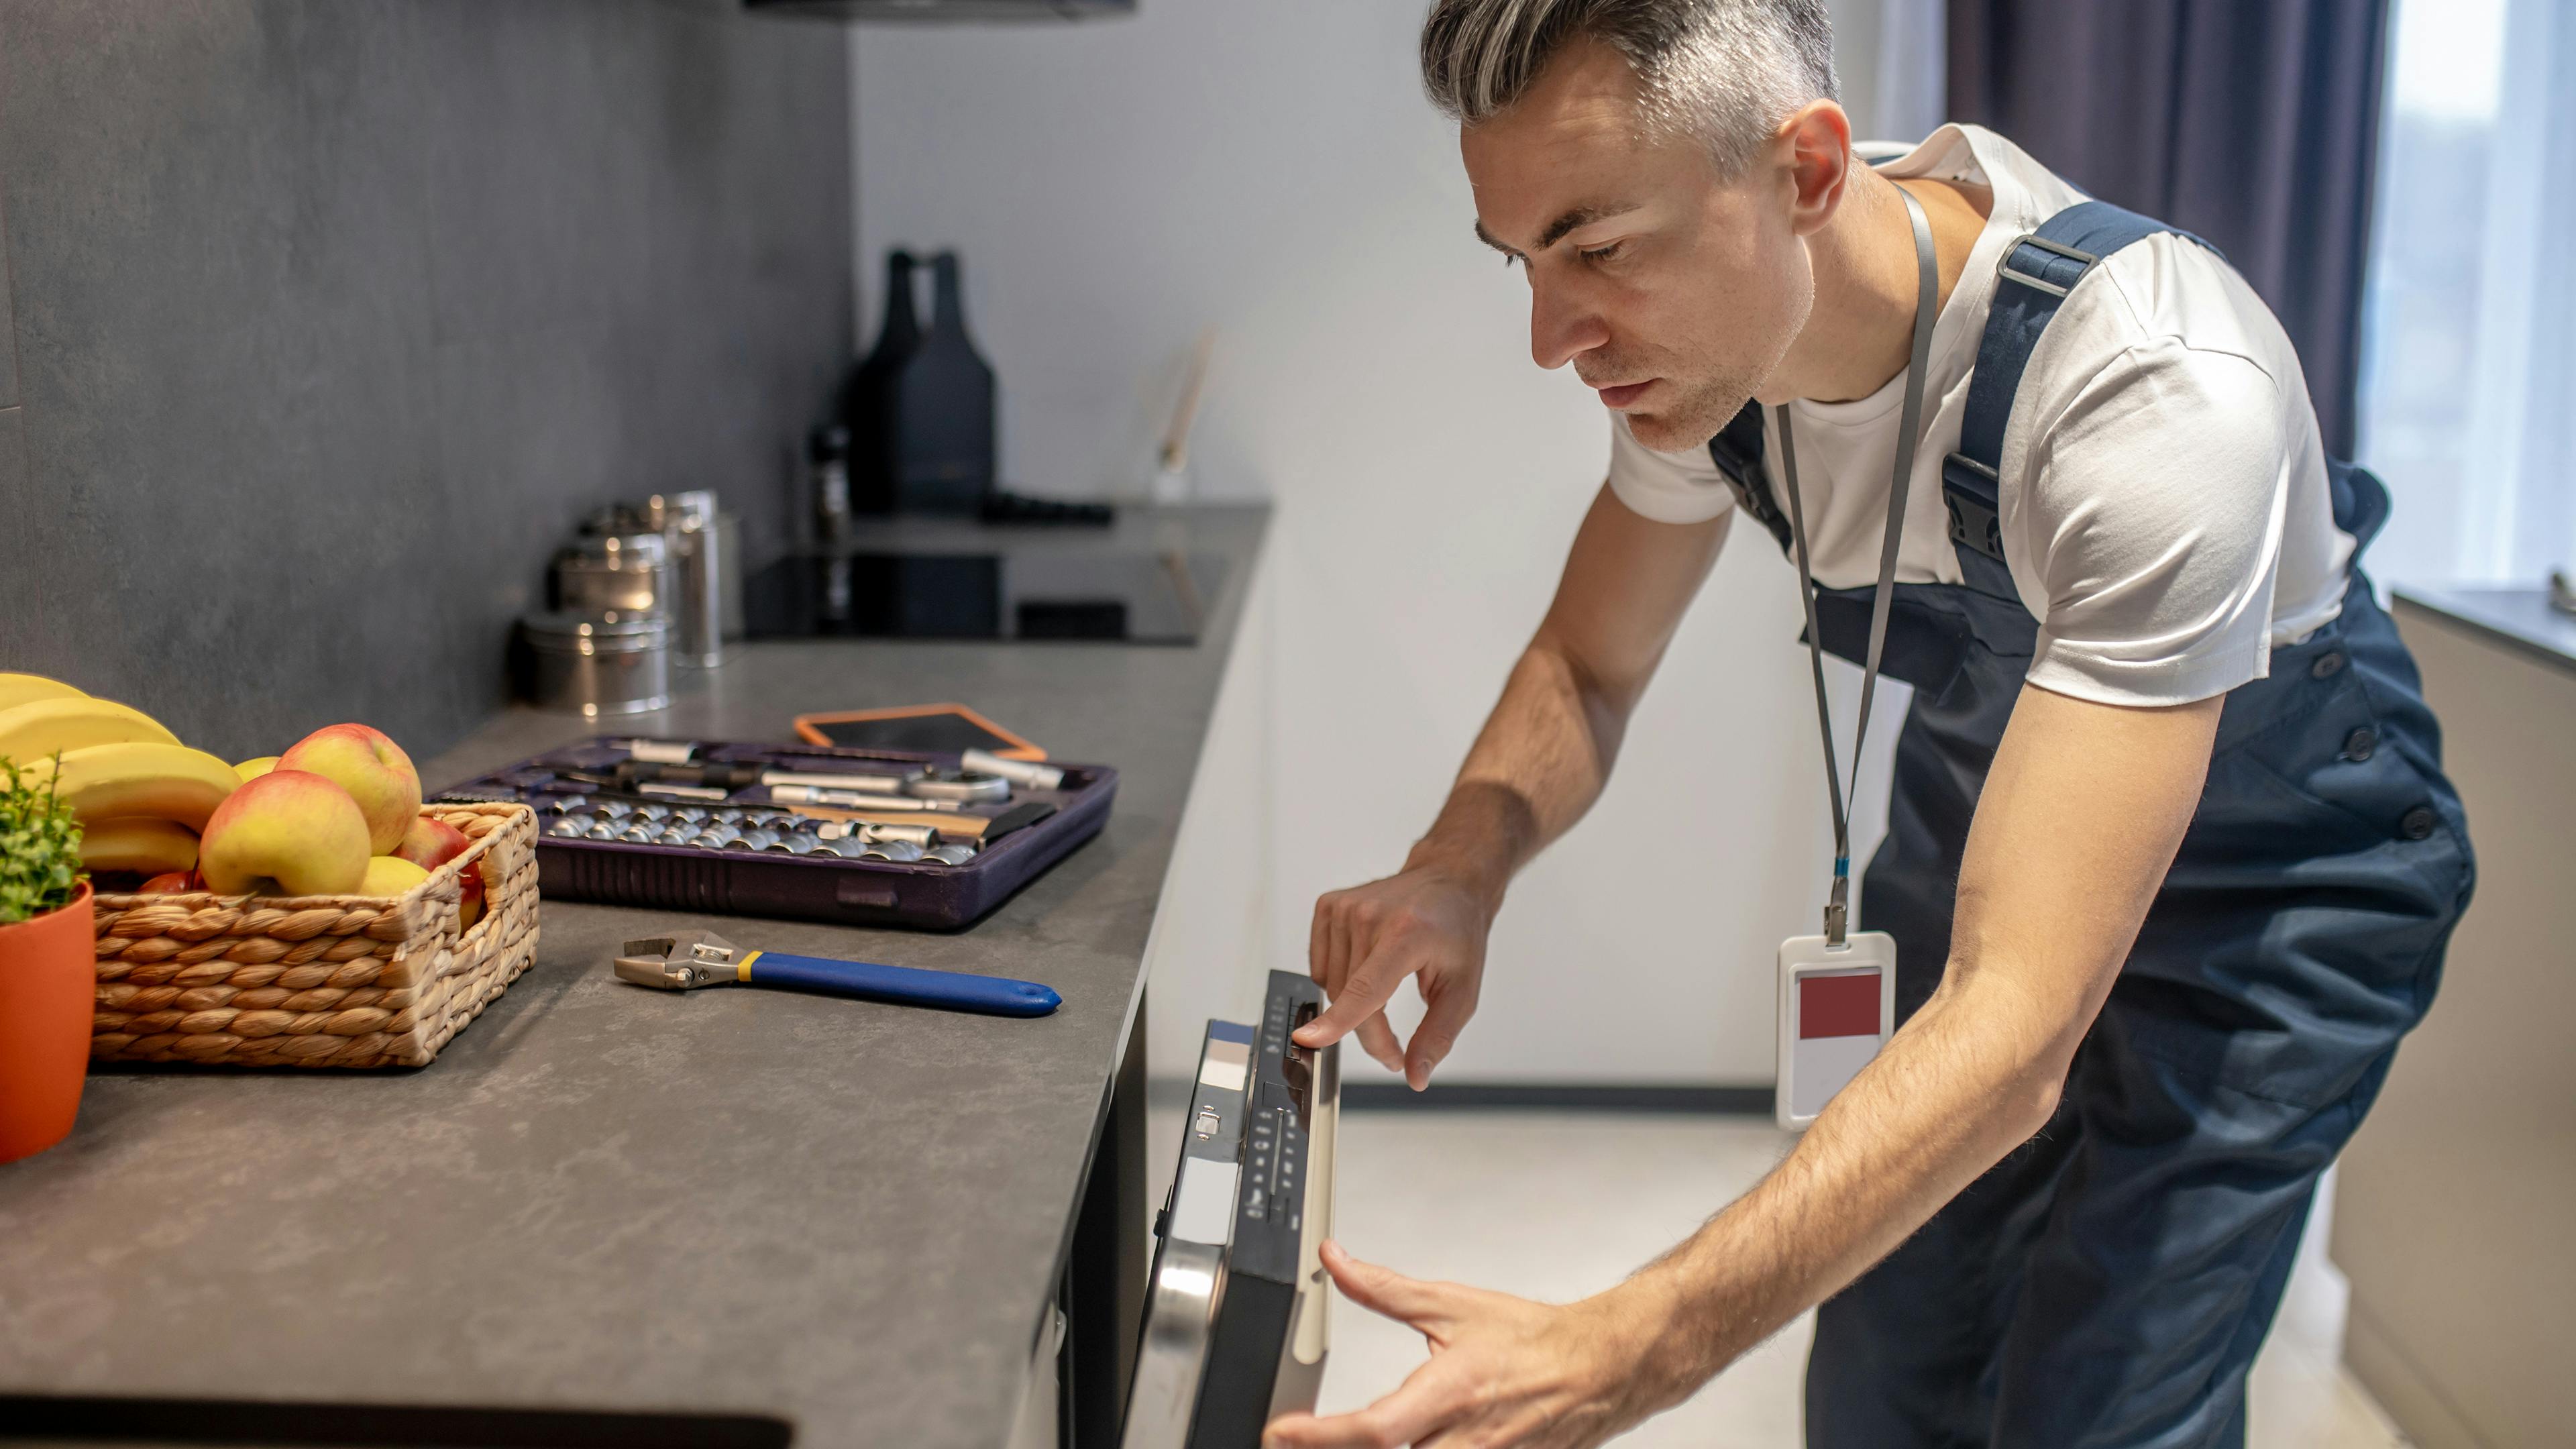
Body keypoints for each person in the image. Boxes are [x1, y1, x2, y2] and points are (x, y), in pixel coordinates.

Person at [1264, 3, 2474, 1446]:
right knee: (1885, 1388)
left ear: (1809, 173)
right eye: (1522, 261)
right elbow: (1590, 664)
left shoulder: (2152, 393)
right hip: (1991, 819)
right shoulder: (1704, 365)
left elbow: (2015, 1031)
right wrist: (1458, 866)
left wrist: (1627, 1348)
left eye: (1596, 248)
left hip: (2275, 885)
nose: (1553, 339)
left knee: (2100, 1402)